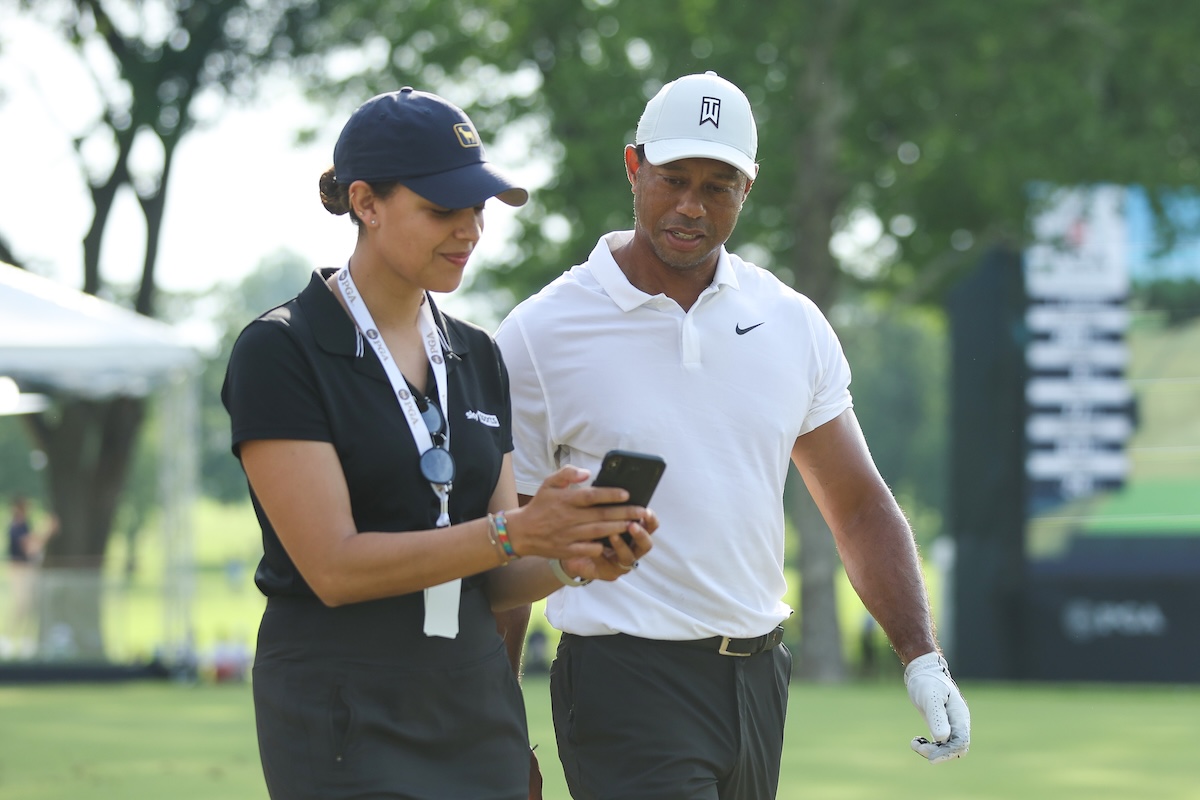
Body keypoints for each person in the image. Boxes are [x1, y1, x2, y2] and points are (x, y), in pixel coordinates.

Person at [494, 71, 970, 799]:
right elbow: (509, 550)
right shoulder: (539, 333)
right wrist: (498, 732)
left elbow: (858, 507)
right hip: (624, 680)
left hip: (759, 680)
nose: (692, 206)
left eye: (718, 187)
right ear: (634, 166)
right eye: (674, 179)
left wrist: (921, 657)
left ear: (748, 188)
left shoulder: (791, 321)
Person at [221, 87, 656, 800]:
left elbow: (497, 575)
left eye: (478, 208)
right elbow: (333, 567)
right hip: (342, 716)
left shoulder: (478, 355)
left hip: (474, 708)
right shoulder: (282, 350)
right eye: (442, 209)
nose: (470, 230)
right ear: (365, 202)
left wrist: (570, 557)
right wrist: (516, 532)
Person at [4, 494, 57, 657]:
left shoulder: (25, 526)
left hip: (29, 569)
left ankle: (26, 640)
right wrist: (46, 529)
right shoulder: (16, 527)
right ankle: (7, 638)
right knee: (22, 605)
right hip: (20, 570)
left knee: (31, 606)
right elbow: (31, 547)